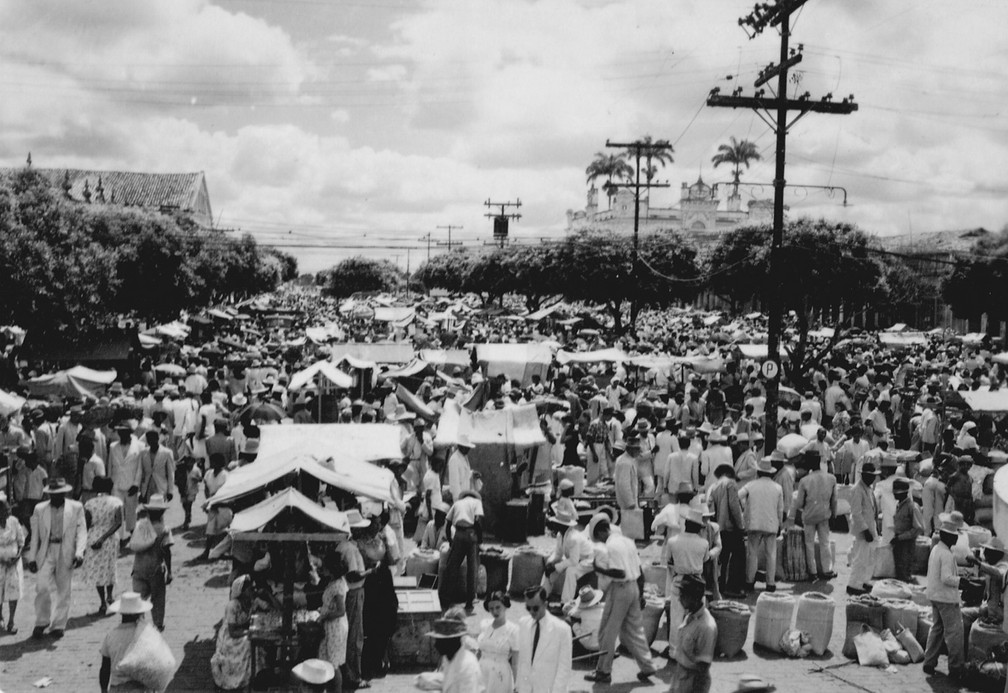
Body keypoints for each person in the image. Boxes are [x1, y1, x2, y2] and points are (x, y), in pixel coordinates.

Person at [585, 518, 657, 684]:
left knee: (607, 631)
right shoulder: (627, 542)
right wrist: (640, 593)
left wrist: (599, 569)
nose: (601, 541)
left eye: (599, 537)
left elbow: (620, 573)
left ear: (602, 532)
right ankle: (648, 665)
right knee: (633, 630)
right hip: (633, 587)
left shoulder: (612, 546)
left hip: (620, 589)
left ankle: (603, 671)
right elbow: (639, 570)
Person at [27, 477, 87, 639]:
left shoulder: (76, 507)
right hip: (46, 551)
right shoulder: (40, 509)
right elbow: (35, 537)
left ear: (64, 493)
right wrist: (32, 558)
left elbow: (82, 531)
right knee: (42, 586)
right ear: (49, 494)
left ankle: (59, 625)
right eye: (53, 494)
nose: (56, 497)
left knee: (64, 589)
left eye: (59, 494)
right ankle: (42, 621)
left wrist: (79, 552)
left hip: (66, 550)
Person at [923, 512, 966, 680]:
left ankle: (929, 661)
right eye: (955, 537)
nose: (956, 540)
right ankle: (956, 668)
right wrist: (962, 582)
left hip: (934, 595)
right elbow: (946, 578)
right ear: (948, 536)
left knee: (937, 629)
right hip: (946, 598)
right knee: (955, 633)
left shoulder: (936, 549)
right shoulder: (947, 554)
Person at [665, 507, 710, 655]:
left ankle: (674, 651)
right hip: (696, 581)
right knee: (697, 618)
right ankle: (695, 651)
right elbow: (706, 560)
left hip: (679, 580)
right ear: (698, 527)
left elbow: (669, 560)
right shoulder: (703, 543)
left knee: (676, 617)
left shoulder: (672, 541)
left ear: (686, 524)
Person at [337, 509, 372, 690]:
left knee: (351, 635)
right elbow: (352, 575)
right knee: (354, 636)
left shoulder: (344, 546)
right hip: (353, 593)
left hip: (351, 593)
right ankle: (353, 676)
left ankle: (350, 673)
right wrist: (370, 571)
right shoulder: (349, 549)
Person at [738, 457, 784, 593]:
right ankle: (770, 583)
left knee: (752, 553)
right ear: (771, 473)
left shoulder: (751, 485)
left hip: (754, 522)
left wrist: (745, 508)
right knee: (771, 554)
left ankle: (749, 581)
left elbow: (738, 496)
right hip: (771, 523)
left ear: (759, 472)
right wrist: (779, 523)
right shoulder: (777, 487)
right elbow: (780, 509)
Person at [517, 586, 572, 692]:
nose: (531, 611)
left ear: (545, 605)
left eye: (535, 608)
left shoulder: (562, 629)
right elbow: (521, 660)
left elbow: (564, 669)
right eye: (528, 608)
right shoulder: (523, 623)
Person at [668, 574, 717, 693]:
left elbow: (702, 670)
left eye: (683, 595)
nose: (679, 599)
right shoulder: (690, 615)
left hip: (692, 684)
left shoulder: (706, 627)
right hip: (680, 678)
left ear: (694, 598)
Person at [792, 451, 837, 580]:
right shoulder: (831, 478)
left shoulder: (804, 481)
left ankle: (813, 572)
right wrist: (833, 515)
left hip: (809, 515)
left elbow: (799, 502)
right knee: (825, 542)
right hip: (824, 515)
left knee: (809, 544)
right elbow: (834, 501)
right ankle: (827, 570)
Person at [131, 494, 173, 631]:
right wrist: (170, 571)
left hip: (138, 567)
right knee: (158, 598)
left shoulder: (141, 526)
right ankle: (158, 625)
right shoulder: (164, 530)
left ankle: (138, 624)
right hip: (155, 568)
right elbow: (167, 551)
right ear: (162, 512)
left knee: (138, 599)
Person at [83, 476, 123, 616]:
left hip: (93, 536)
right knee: (110, 567)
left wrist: (89, 541)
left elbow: (86, 524)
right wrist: (104, 537)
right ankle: (110, 595)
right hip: (110, 538)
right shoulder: (116, 502)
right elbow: (118, 523)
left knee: (98, 570)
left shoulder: (89, 503)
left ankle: (102, 602)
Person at [99, 592, 154, 693]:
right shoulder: (145, 634)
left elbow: (105, 669)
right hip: (140, 687)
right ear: (139, 614)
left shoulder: (111, 635)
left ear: (121, 613)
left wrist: (103, 690)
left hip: (117, 688)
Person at [442, 489, 484, 614]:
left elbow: (448, 523)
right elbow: (477, 522)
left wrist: (450, 540)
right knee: (472, 569)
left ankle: (447, 600)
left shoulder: (457, 504)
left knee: (452, 566)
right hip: (471, 534)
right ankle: (469, 602)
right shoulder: (476, 503)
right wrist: (480, 540)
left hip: (459, 534)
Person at [708, 463, 746, 597]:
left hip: (719, 526)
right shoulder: (731, 484)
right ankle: (733, 587)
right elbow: (734, 506)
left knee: (722, 559)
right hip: (730, 527)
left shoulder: (713, 486)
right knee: (738, 557)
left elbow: (710, 506)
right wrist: (741, 526)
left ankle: (721, 585)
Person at [210, 575, 254, 691]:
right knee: (248, 644)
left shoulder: (249, 602)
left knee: (253, 642)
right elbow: (232, 631)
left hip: (241, 631)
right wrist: (248, 633)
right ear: (242, 591)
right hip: (230, 636)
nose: (252, 591)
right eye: (249, 589)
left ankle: (251, 676)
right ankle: (240, 680)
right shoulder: (232, 606)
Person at [542, 507, 593, 602]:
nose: (553, 525)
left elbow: (573, 561)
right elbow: (558, 554)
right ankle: (543, 595)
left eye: (555, 523)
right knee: (550, 567)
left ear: (562, 525)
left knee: (571, 571)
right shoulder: (560, 535)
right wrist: (550, 562)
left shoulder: (573, 538)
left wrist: (556, 567)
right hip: (577, 560)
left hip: (589, 560)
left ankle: (566, 602)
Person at [317, 553, 348, 693]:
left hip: (335, 628)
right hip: (329, 627)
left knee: (333, 664)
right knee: (326, 661)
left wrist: (325, 616)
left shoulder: (338, 585)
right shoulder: (333, 582)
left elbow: (341, 611)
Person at [848, 462, 880, 596]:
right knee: (860, 558)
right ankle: (853, 584)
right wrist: (865, 530)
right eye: (870, 476)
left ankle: (864, 581)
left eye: (874, 476)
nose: (873, 478)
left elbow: (872, 510)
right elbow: (856, 513)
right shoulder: (857, 489)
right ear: (864, 475)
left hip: (871, 527)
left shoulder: (869, 488)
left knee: (870, 557)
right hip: (863, 531)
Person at [477, 590, 519, 693]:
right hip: (482, 672)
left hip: (500, 676)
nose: (494, 611)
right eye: (491, 608)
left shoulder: (513, 630)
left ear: (505, 606)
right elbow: (478, 652)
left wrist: (517, 685)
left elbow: (515, 663)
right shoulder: (485, 625)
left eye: (498, 607)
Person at [962, 537, 1008, 626]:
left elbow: (998, 574)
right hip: (989, 607)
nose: (985, 556)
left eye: (988, 553)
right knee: (964, 613)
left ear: (996, 554)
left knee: (967, 616)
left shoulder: (1003, 567)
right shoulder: (994, 565)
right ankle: (965, 638)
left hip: (997, 613)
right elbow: (988, 580)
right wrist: (971, 579)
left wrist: (978, 563)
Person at [107, 425, 141, 538]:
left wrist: (136, 484)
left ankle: (133, 533)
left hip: (131, 483)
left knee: (131, 510)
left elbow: (139, 468)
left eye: (124, 433)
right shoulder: (113, 447)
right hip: (116, 483)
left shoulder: (139, 446)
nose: (122, 435)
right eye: (120, 433)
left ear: (129, 433)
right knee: (117, 510)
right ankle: (118, 537)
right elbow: (110, 466)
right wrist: (109, 482)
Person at [0, 492, 27, 634]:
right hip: (0, 564)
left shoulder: (14, 521)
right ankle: (0, 618)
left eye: (8, 510)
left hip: (13, 564)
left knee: (13, 592)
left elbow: (21, 541)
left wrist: (17, 557)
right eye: (3, 510)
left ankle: (11, 621)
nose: (7, 513)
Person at [891, 478, 922, 583]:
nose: (894, 495)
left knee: (905, 572)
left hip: (906, 544)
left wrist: (900, 537)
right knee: (898, 571)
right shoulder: (899, 505)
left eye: (896, 493)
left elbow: (918, 529)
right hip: (898, 542)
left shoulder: (912, 507)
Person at [201, 453, 230, 560]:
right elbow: (206, 489)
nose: (212, 463)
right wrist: (209, 501)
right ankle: (207, 551)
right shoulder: (208, 474)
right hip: (212, 504)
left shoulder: (225, 475)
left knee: (225, 528)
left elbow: (227, 492)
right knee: (210, 529)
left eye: (215, 461)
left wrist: (216, 501)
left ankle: (224, 551)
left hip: (224, 504)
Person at [139, 430, 175, 504]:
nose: (151, 442)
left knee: (158, 511)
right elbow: (140, 472)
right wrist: (140, 491)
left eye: (153, 440)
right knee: (148, 510)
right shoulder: (143, 453)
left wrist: (170, 491)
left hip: (161, 487)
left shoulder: (167, 453)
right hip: (147, 487)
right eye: (149, 440)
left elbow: (170, 473)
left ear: (158, 439)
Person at [919, 459, 946, 537]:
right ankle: (937, 534)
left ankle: (926, 535)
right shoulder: (952, 460)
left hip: (930, 482)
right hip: (941, 484)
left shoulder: (937, 458)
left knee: (927, 512)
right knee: (938, 511)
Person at [612, 437, 639, 511]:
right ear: (630, 449)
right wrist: (630, 503)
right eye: (637, 449)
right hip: (627, 504)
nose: (638, 451)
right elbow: (623, 484)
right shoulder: (625, 462)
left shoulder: (628, 459)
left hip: (630, 501)